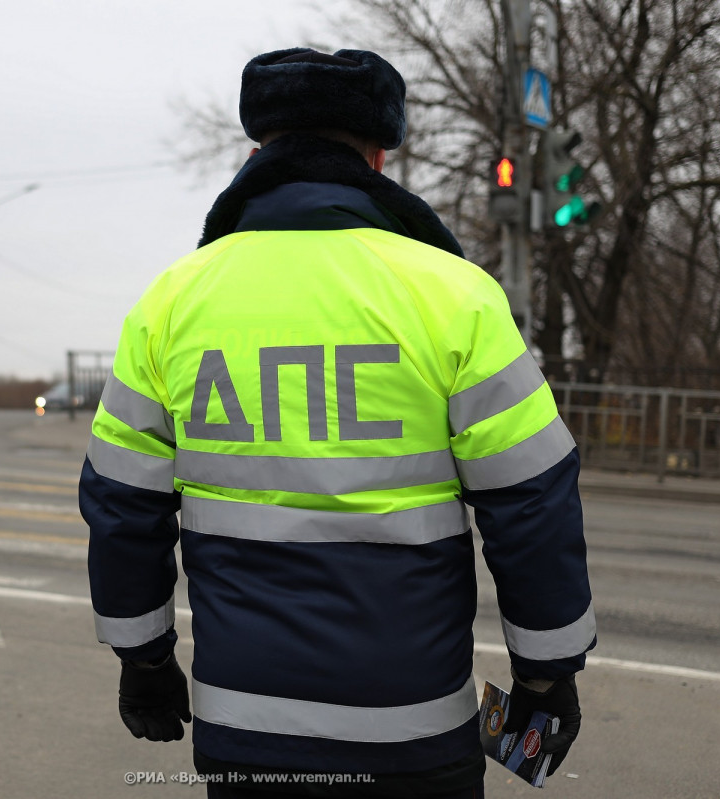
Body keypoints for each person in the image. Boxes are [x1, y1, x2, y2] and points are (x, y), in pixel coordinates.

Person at [79, 47, 595, 798]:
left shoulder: (170, 303)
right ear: (379, 158)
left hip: (245, 730)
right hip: (416, 729)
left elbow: (123, 507)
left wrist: (145, 661)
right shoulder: (456, 297)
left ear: (257, 155)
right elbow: (534, 502)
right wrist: (547, 677)